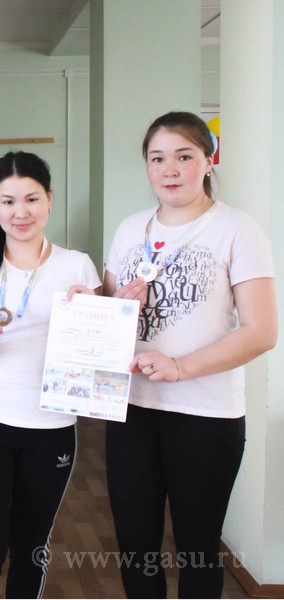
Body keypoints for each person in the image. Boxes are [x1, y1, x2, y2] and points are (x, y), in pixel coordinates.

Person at [103, 111, 277, 598]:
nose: (170, 169)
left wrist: (181, 367)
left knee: (197, 546)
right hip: (131, 408)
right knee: (135, 544)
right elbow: (109, 313)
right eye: (158, 158)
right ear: (147, 166)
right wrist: (100, 305)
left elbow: (262, 331)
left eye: (184, 156)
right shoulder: (130, 229)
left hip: (206, 414)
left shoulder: (237, 229)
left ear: (208, 160)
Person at [0, 151, 100, 599]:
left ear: (49, 199)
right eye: (8, 201)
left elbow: (97, 359)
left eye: (31, 199)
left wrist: (95, 315)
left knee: (31, 549)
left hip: (51, 428)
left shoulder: (77, 266)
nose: (20, 212)